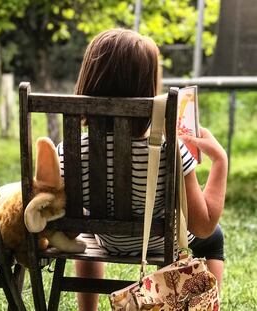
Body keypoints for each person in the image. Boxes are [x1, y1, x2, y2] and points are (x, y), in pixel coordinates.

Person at [56, 28, 228, 311]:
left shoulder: (70, 150)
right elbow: (203, 225)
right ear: (148, 89)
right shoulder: (169, 149)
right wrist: (220, 161)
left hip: (106, 240)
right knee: (215, 237)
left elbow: (71, 225)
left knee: (88, 230)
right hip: (159, 242)